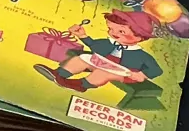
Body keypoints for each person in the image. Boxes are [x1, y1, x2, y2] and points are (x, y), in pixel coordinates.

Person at [35, 10, 163, 92]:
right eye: (111, 29)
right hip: (101, 62)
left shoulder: (141, 55)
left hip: (124, 73)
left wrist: (142, 75)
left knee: (102, 73)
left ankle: (79, 85)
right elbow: (93, 45)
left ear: (140, 37)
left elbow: (156, 70)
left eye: (121, 31)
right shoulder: (108, 43)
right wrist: (82, 35)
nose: (114, 33)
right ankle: (58, 74)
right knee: (79, 59)